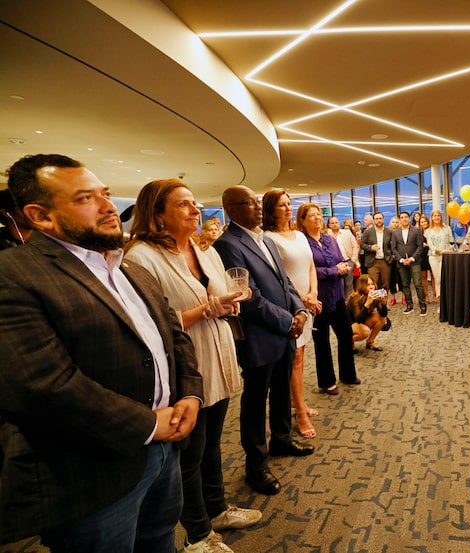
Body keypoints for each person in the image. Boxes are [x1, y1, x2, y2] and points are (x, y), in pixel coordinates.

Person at [0, 154, 203, 551]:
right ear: (41, 216)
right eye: (85, 199)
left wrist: (190, 394)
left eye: (105, 194)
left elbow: (173, 337)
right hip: (92, 474)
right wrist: (147, 424)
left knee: (160, 542)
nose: (109, 207)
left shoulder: (130, 269)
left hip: (166, 454)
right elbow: (43, 386)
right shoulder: (16, 274)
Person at [125, 179, 260, 552]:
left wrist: (230, 302)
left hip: (218, 358)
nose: (195, 210)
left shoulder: (206, 251)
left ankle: (216, 509)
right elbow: (148, 325)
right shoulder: (140, 257)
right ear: (157, 214)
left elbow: (216, 296)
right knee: (188, 456)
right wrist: (206, 309)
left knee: (212, 445)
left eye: (194, 204)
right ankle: (199, 535)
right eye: (183, 205)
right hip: (185, 367)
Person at [212, 186, 314, 498]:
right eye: (248, 203)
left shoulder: (266, 239)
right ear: (230, 208)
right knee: (255, 401)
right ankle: (256, 464)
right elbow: (249, 297)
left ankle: (281, 439)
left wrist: (298, 308)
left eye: (257, 202)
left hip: (285, 329)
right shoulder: (227, 244)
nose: (257, 208)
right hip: (259, 334)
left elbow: (284, 282)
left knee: (282, 388)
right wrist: (287, 321)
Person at [262, 190, 322, 439]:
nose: (287, 209)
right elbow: (279, 276)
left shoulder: (299, 234)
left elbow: (310, 266)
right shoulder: (268, 238)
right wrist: (303, 299)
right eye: (281, 205)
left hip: (309, 301)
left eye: (289, 204)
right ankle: (300, 413)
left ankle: (298, 401)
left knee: (301, 354)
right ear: (270, 210)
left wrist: (314, 293)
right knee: (294, 356)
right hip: (289, 304)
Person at [297, 203, 361, 395]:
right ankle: (327, 382)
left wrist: (343, 267)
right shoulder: (302, 242)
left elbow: (341, 259)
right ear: (302, 220)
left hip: (337, 295)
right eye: (312, 215)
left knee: (345, 334)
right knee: (322, 341)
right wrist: (333, 270)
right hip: (318, 298)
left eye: (319, 214)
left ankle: (348, 374)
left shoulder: (329, 239)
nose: (318, 218)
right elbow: (307, 271)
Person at [391, 211, 427, 315]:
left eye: (406, 217)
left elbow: (420, 247)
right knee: (405, 285)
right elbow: (393, 249)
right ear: (399, 219)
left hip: (414, 262)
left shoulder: (416, 231)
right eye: (402, 217)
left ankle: (423, 306)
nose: (404, 219)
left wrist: (412, 258)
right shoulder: (395, 233)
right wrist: (401, 260)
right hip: (401, 263)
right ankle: (409, 306)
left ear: (408, 218)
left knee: (418, 284)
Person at [347, 275, 389, 351]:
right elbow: (358, 319)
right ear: (362, 286)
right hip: (350, 324)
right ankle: (347, 342)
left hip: (362, 322)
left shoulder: (373, 295)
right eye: (368, 285)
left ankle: (370, 342)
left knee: (380, 318)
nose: (371, 287)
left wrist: (383, 303)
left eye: (372, 284)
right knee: (365, 331)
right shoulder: (355, 297)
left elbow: (383, 315)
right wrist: (368, 303)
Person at [424, 209, 455, 304]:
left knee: (443, 278)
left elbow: (452, 242)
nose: (436, 217)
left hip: (445, 257)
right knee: (437, 279)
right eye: (434, 216)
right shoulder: (428, 231)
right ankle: (440, 300)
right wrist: (443, 250)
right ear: (432, 218)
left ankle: (447, 299)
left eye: (438, 215)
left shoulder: (447, 228)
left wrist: (451, 248)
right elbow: (432, 247)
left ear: (441, 217)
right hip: (433, 257)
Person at [361, 211, 394, 294]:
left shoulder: (389, 232)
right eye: (376, 219)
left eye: (380, 218)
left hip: (385, 261)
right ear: (373, 220)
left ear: (383, 219)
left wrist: (392, 256)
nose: (379, 220)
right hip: (372, 262)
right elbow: (362, 244)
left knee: (385, 285)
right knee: (373, 284)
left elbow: (393, 245)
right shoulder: (368, 231)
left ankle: (383, 306)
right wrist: (371, 247)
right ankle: (373, 305)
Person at [328, 215, 360, 297]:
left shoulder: (347, 233)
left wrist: (353, 260)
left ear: (339, 223)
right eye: (332, 223)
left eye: (336, 222)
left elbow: (355, 246)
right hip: (335, 264)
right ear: (329, 225)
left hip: (348, 261)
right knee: (339, 285)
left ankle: (349, 303)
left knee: (349, 284)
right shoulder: (326, 235)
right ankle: (341, 303)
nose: (334, 224)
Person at [419, 216, 436, 303]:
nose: (423, 223)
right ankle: (426, 296)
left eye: (425, 222)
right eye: (421, 222)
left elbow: (436, 243)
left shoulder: (432, 231)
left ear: (428, 222)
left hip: (432, 254)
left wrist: (428, 245)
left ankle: (434, 295)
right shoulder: (418, 233)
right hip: (422, 256)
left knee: (433, 276)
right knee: (423, 277)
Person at [386, 215, 403, 305]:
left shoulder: (401, 232)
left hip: (400, 258)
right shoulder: (387, 233)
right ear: (390, 223)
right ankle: (393, 298)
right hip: (390, 259)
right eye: (393, 222)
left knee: (402, 278)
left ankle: (404, 297)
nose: (395, 224)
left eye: (396, 222)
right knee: (391, 279)